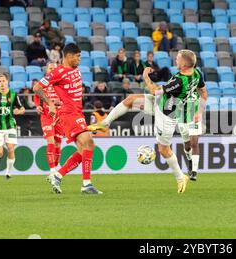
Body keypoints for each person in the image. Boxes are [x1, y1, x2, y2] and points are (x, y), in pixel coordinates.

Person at [88, 51, 207, 182]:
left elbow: (155, 91)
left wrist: (146, 76)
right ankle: (105, 123)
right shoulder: (196, 73)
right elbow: (203, 91)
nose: (175, 61)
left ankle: (180, 177)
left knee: (163, 149)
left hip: (167, 115)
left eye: (178, 59)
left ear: (184, 64)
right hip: (164, 103)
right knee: (131, 99)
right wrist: (199, 110)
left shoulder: (179, 81)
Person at [34, 43, 102, 195]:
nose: (79, 59)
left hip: (77, 113)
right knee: (89, 143)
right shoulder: (57, 73)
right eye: (77, 56)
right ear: (69, 56)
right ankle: (86, 184)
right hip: (69, 114)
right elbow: (37, 87)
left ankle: (58, 175)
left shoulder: (75, 69)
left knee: (84, 149)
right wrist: (50, 104)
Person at [0, 73, 25, 180]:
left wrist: (19, 111)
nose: (2, 83)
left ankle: (8, 172)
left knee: (11, 149)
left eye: (3, 81)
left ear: (7, 81)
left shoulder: (13, 94)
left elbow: (22, 109)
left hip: (10, 126)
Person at [34, 62, 64, 177]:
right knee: (50, 141)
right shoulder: (43, 83)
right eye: (50, 68)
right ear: (47, 70)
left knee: (58, 143)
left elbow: (66, 98)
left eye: (54, 68)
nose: (52, 70)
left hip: (59, 116)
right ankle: (52, 171)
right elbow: (36, 95)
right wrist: (38, 105)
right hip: (47, 115)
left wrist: (59, 102)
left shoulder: (61, 83)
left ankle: (55, 169)